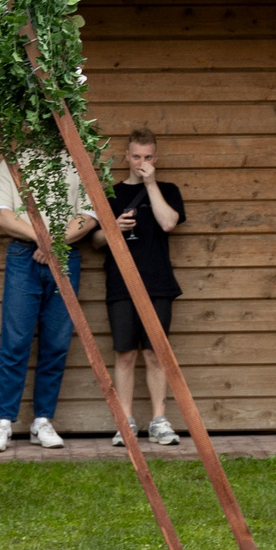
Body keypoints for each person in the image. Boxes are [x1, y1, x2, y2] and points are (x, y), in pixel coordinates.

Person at [0, 153, 96, 452]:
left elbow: (88, 216)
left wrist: (53, 245)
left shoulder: (77, 162)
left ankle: (42, 421)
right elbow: (1, 213)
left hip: (66, 257)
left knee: (56, 342)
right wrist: (43, 240)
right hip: (24, 257)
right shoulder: (12, 163)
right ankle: (3, 422)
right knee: (15, 340)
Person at [99, 129, 186, 445]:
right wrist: (113, 230)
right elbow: (95, 240)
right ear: (127, 157)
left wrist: (150, 185)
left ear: (156, 158)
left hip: (158, 284)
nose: (142, 162)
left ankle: (159, 421)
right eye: (136, 156)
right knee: (124, 354)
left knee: (155, 353)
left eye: (148, 157)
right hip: (120, 283)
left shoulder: (168, 190)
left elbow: (168, 223)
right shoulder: (110, 192)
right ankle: (126, 422)